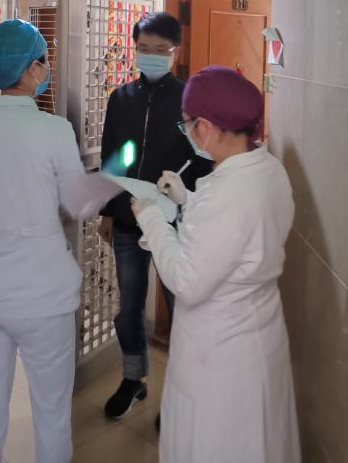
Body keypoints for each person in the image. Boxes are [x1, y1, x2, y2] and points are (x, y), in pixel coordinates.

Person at [131, 66, 301, 463]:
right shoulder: (268, 169)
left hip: (221, 358)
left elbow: (187, 280)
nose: (188, 132)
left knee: (219, 445)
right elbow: (235, 239)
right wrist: (187, 200)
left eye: (187, 124)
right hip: (258, 336)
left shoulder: (226, 194)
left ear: (205, 126)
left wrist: (152, 217)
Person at [0, 19, 84, 463]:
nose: (46, 69)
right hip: (44, 297)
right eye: (43, 61)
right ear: (30, 69)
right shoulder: (55, 130)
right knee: (51, 413)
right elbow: (78, 203)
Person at [98, 12, 211, 422]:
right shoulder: (121, 98)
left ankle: (180, 394)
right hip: (129, 220)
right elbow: (113, 157)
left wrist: (190, 203)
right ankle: (133, 379)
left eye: (160, 50)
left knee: (181, 309)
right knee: (129, 305)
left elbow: (204, 162)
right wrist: (108, 211)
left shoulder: (191, 102)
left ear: (175, 52)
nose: (150, 56)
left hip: (176, 223)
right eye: (143, 49)